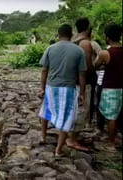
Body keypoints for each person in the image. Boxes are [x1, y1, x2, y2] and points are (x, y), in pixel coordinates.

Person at [39, 24, 87, 156]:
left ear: (58, 35)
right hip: (68, 89)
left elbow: (44, 70)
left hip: (51, 87)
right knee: (66, 118)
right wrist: (82, 93)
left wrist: (42, 88)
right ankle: (58, 150)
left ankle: (43, 136)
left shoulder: (50, 48)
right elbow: (82, 74)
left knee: (46, 110)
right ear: (71, 35)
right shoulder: (78, 51)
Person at [67, 18, 94, 151]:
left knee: (73, 109)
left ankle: (68, 135)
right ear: (88, 28)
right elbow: (87, 66)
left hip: (72, 81)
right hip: (83, 82)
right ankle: (73, 140)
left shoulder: (72, 42)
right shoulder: (85, 44)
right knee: (81, 110)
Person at [95, 24, 122, 152]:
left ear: (107, 38)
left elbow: (95, 65)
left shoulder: (105, 53)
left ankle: (111, 144)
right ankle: (115, 138)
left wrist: (104, 66)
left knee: (111, 116)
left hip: (111, 87)